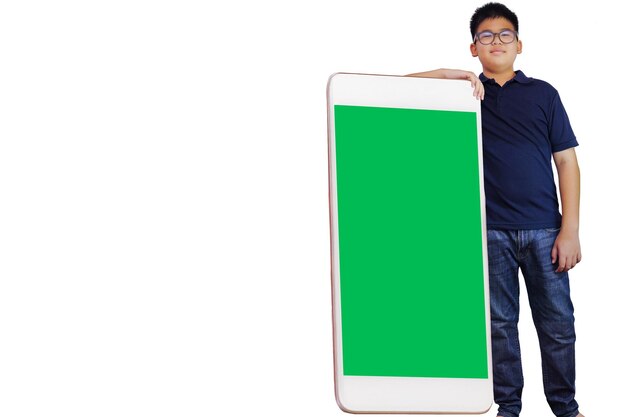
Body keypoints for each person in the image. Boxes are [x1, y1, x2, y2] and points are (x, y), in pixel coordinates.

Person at [407, 3, 584, 417]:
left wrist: (570, 230)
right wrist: (448, 75)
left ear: (519, 44)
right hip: (488, 232)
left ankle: (565, 406)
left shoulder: (544, 94)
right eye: (485, 36)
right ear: (474, 48)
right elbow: (400, 88)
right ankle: (509, 405)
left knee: (558, 325)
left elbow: (567, 163)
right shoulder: (464, 95)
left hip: (544, 229)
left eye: (505, 34)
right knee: (500, 325)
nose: (496, 41)